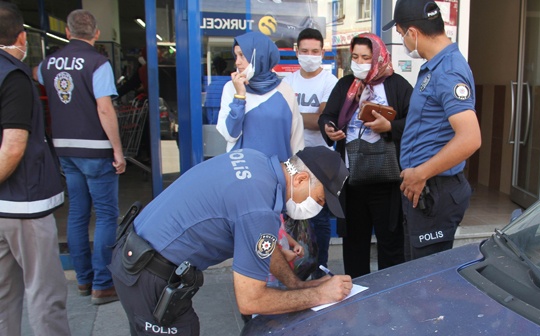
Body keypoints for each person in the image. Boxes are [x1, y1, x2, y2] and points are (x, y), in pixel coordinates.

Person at [109, 146, 352, 335]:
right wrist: (321, 295)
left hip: (135, 257)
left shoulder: (255, 161)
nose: (318, 209)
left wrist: (296, 285)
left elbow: (258, 240)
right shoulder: (258, 209)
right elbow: (250, 300)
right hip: (150, 276)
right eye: (320, 200)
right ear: (299, 179)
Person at [38, 9, 126, 305]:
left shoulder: (46, 64)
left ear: (67, 31)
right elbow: (104, 109)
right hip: (95, 150)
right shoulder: (98, 63)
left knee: (77, 213)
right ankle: (103, 285)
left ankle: (84, 280)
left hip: (65, 149)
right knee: (105, 215)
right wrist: (117, 150)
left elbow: (39, 82)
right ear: (96, 33)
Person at [382, 0, 481, 260]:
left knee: (426, 284)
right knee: (415, 273)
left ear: (413, 33)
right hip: (423, 188)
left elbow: (470, 138)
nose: (403, 40)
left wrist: (421, 173)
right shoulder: (436, 66)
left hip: (434, 190)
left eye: (402, 34)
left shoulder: (448, 71)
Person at [0, 3, 71, 335]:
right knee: (45, 294)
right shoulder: (13, 76)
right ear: (22, 36)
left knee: (3, 296)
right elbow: (13, 147)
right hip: (23, 206)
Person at [319, 33, 412, 278]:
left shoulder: (397, 86)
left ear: (379, 58)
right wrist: (329, 127)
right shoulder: (345, 85)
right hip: (351, 180)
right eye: (356, 57)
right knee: (354, 243)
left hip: (387, 178)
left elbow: (416, 123)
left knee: (390, 242)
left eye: (366, 58)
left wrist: (390, 128)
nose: (359, 62)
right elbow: (328, 115)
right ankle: (357, 294)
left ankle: (391, 292)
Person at [282, 28, 338, 280]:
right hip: (292, 160)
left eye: (315, 51)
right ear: (296, 52)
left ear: (323, 52)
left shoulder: (330, 81)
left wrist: (292, 115)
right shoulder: (288, 82)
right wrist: (307, 116)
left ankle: (319, 272)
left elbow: (320, 120)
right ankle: (295, 270)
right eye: (304, 51)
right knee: (291, 219)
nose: (309, 56)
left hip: (319, 160)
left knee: (319, 220)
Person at [216, 31, 304, 162]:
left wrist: (296, 173)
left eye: (242, 55)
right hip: (243, 172)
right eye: (236, 56)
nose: (237, 62)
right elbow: (230, 135)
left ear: (259, 56)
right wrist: (240, 96)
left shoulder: (285, 90)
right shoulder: (231, 88)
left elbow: (296, 139)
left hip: (279, 172)